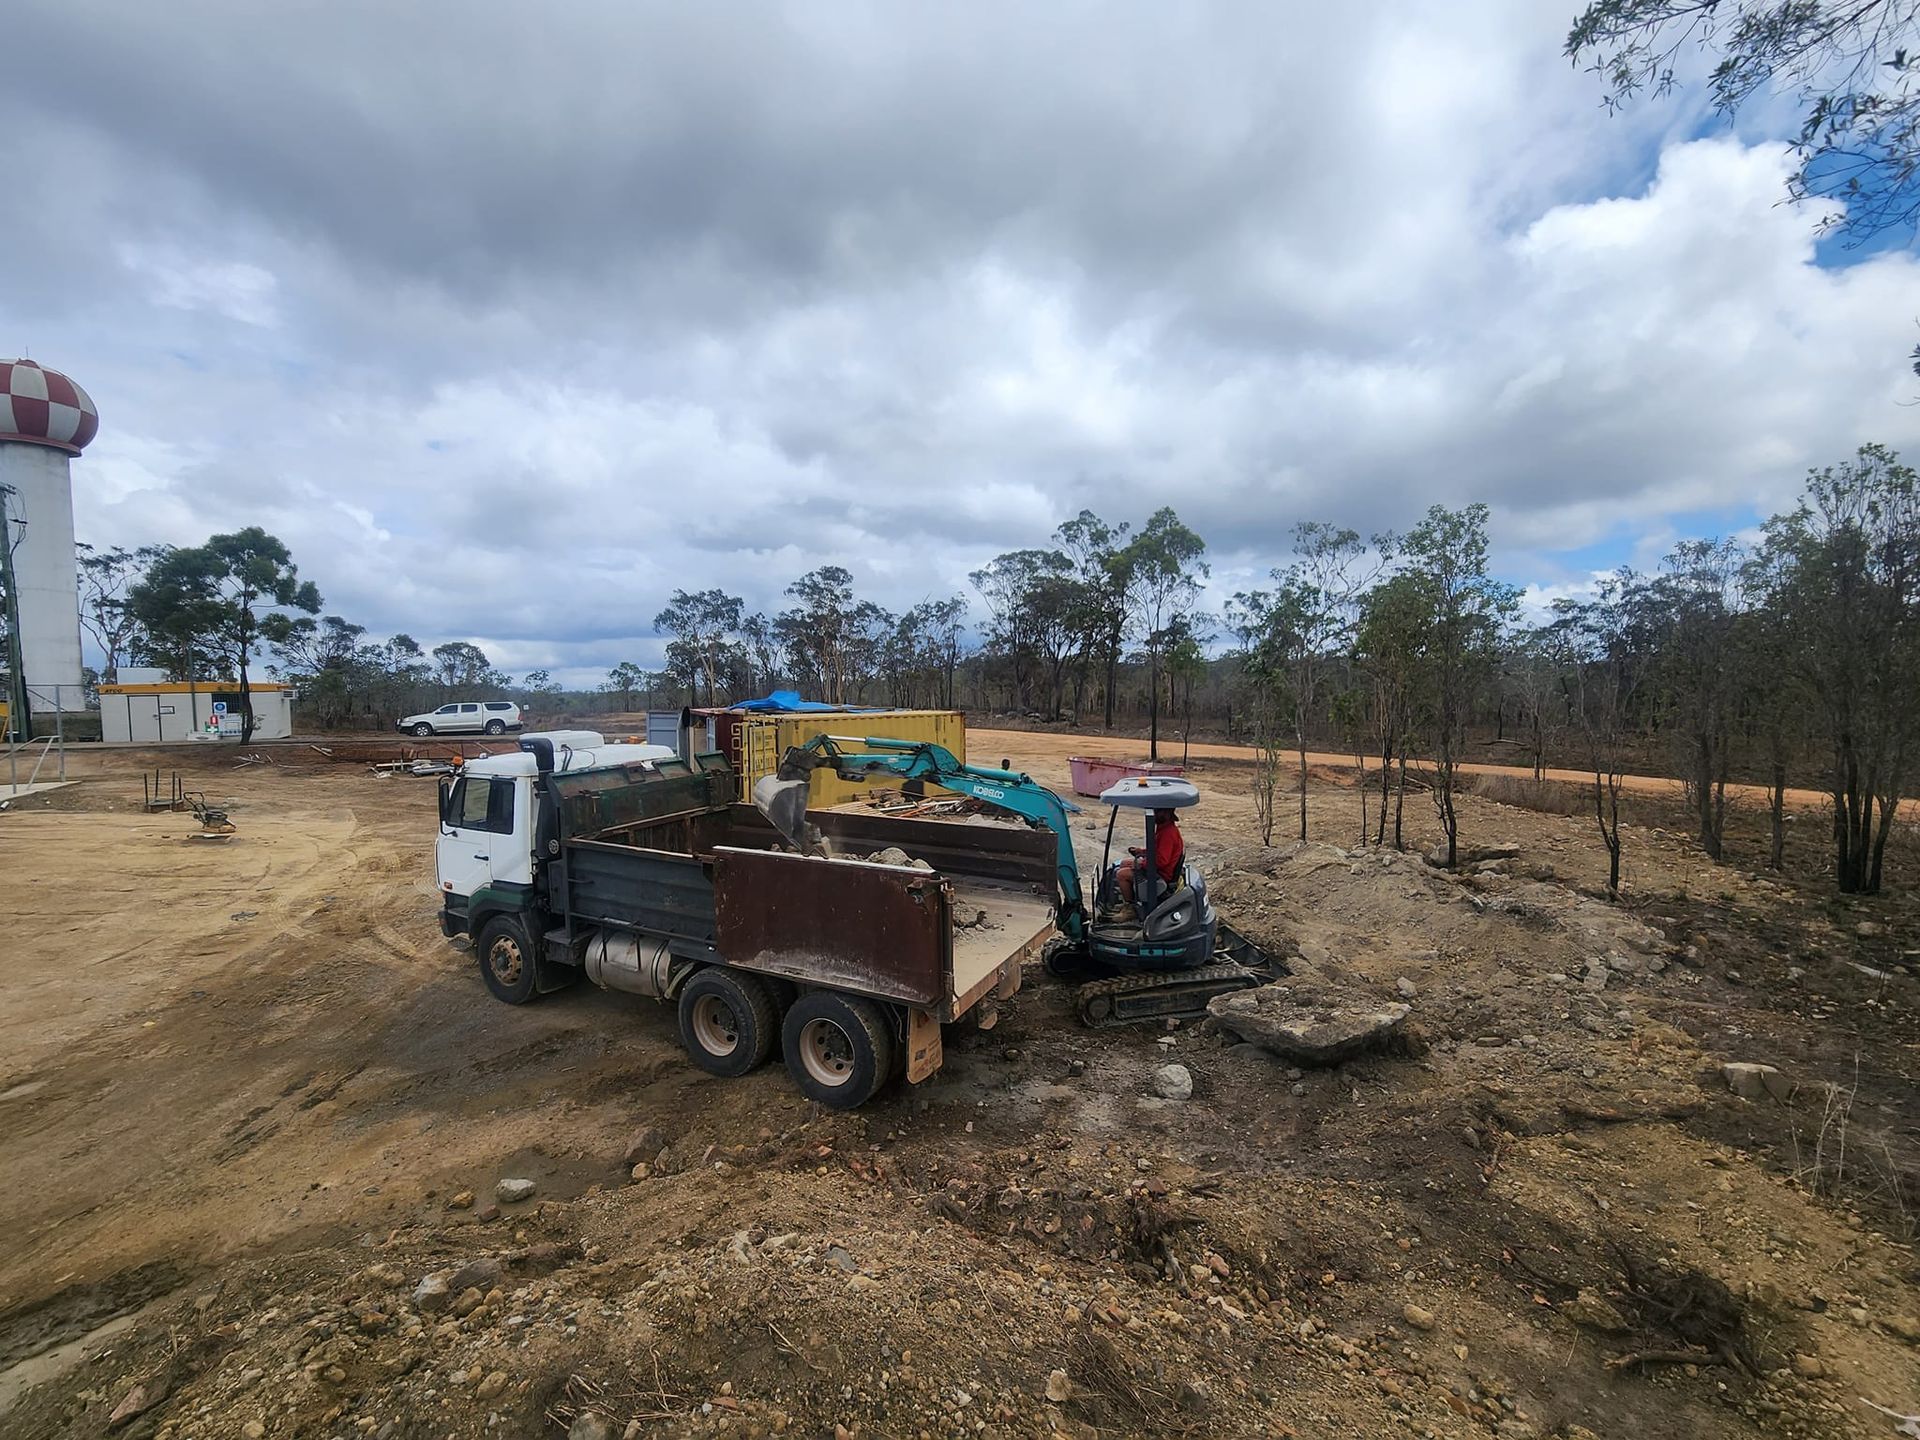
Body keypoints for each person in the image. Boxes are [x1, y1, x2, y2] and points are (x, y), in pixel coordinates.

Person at [1113, 807, 1183, 915]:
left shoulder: (1168, 834)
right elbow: (1157, 850)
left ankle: (1130, 908)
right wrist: (1141, 851)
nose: (1154, 815)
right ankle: (1130, 897)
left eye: (1156, 812)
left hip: (1161, 874)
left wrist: (1141, 864)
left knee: (1121, 875)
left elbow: (1162, 861)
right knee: (1123, 863)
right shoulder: (1164, 828)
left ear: (1166, 813)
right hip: (1158, 869)